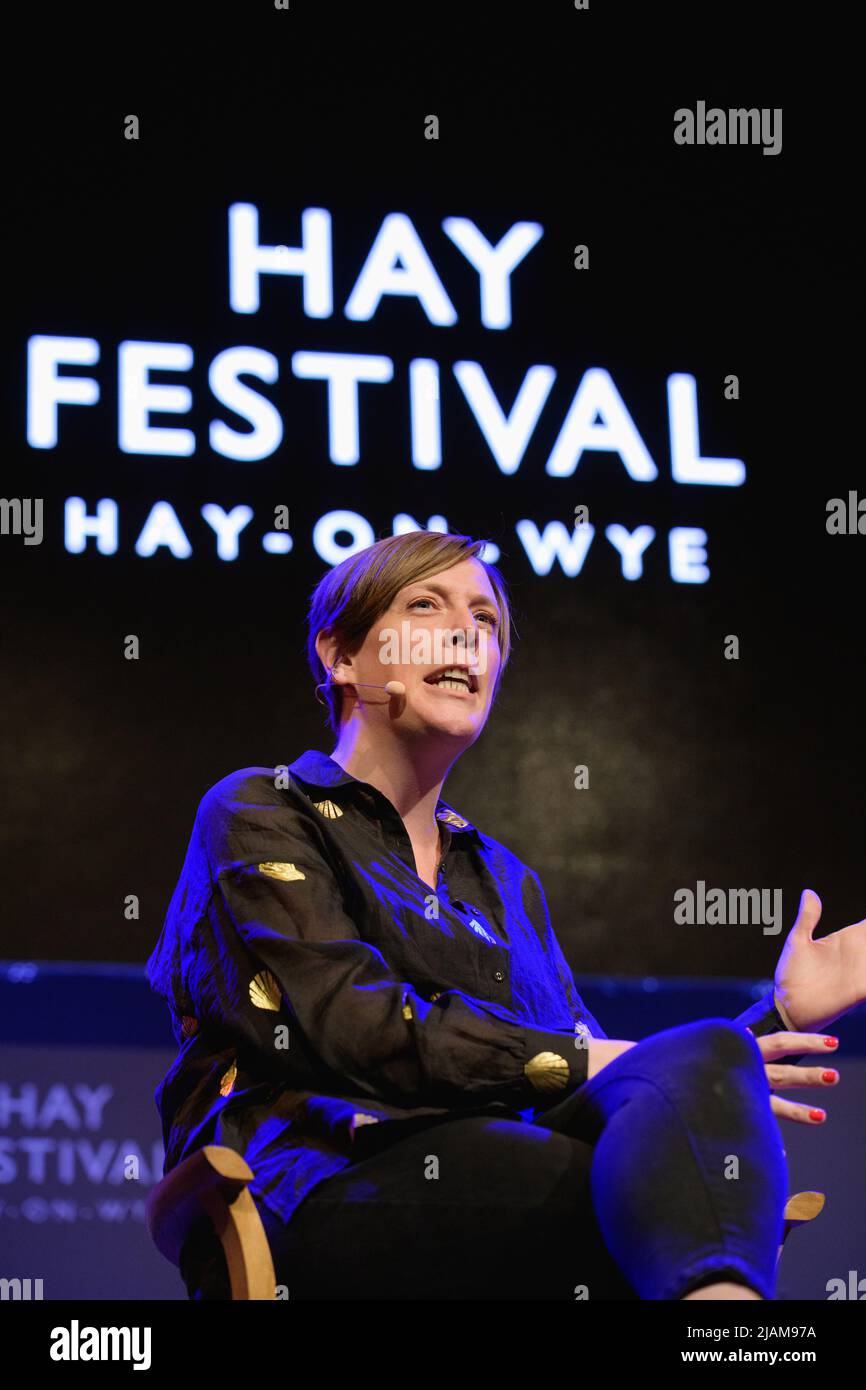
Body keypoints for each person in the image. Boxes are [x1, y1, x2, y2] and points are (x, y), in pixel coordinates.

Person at [146, 529, 861, 1301]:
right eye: (426, 605)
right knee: (631, 1197)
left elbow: (578, 1063)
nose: (466, 632)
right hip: (326, 1181)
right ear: (341, 655)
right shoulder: (264, 808)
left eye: (485, 621)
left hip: (510, 1177)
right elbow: (355, 1029)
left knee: (673, 1125)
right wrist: (638, 1071)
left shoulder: (502, 877)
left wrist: (760, 1024)